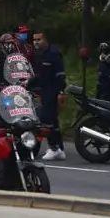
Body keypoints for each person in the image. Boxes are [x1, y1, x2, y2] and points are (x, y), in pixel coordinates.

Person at [31, 31, 67, 161]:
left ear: (45, 40)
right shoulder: (40, 55)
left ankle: (54, 147)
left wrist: (61, 92)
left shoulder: (53, 54)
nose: (36, 42)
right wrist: (28, 83)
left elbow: (60, 75)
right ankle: (60, 149)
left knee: (47, 120)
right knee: (53, 122)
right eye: (34, 39)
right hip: (44, 91)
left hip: (53, 91)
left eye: (39, 39)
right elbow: (39, 76)